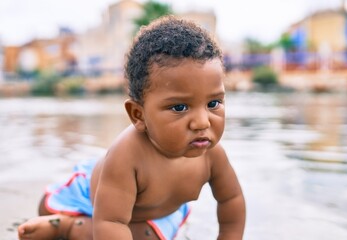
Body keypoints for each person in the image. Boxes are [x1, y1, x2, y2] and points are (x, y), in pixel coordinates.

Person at [18, 16, 246, 240]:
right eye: (179, 107)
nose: (202, 122)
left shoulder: (213, 155)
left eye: (213, 103)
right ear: (139, 115)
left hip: (158, 214)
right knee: (46, 207)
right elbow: (110, 222)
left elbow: (231, 199)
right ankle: (66, 226)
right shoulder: (128, 155)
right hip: (99, 203)